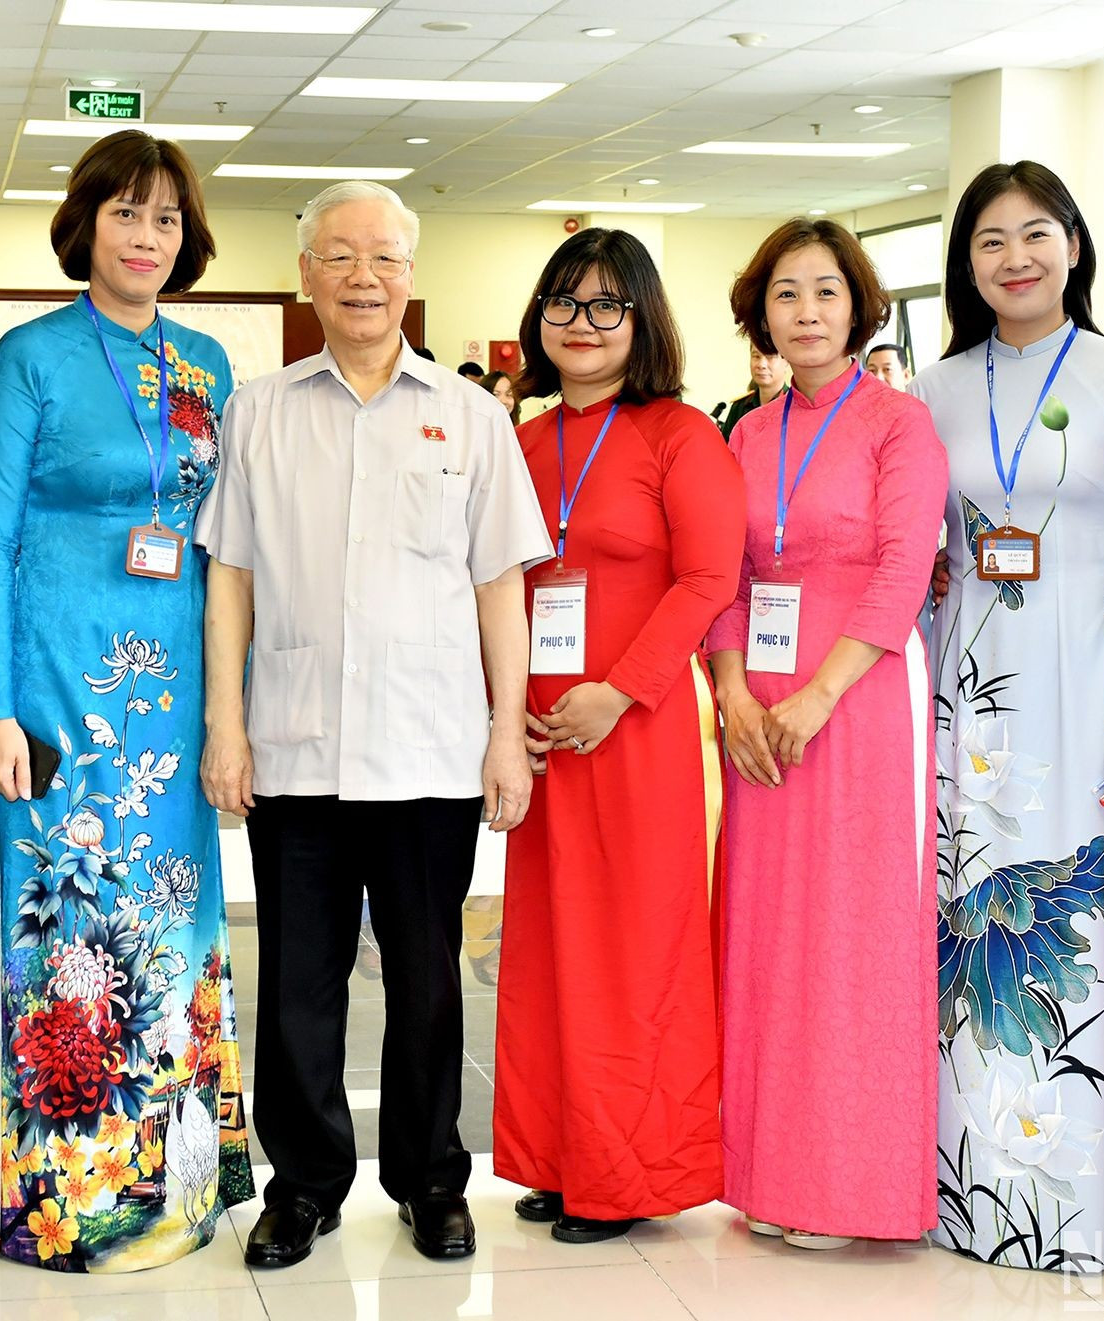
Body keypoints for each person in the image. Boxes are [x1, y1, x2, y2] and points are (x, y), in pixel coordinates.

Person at [197, 180, 551, 1268]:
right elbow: (230, 580)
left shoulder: (472, 416)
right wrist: (224, 724)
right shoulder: (258, 410)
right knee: (297, 981)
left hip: (429, 747)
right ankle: (303, 1186)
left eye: (385, 257)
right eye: (341, 256)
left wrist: (505, 732)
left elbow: (500, 586)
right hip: (296, 742)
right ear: (306, 274)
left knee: (426, 980)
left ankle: (431, 1180)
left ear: (411, 273)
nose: (364, 277)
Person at [0, 128, 251, 1273]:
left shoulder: (206, 366)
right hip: (57, 687)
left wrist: (232, 705)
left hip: (173, 691)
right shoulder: (29, 357)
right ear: (83, 224)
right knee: (69, 924)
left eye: (167, 218)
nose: (147, 236)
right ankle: (69, 1202)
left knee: (174, 919)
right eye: (126, 213)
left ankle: (178, 1185)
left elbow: (226, 545)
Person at [911, 160, 1104, 1273]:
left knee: (1081, 929)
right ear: (966, 264)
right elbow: (917, 545)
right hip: (969, 700)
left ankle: (1091, 1202)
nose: (1015, 258)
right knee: (965, 929)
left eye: (1036, 234)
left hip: (1085, 687)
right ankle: (965, 1196)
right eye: (990, 240)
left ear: (1073, 243)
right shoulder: (934, 387)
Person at [493, 228, 745, 1243]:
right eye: (563, 302)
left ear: (643, 320)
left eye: (607, 305)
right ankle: (562, 1159)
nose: (583, 324)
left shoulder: (680, 435)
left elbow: (708, 578)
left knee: (635, 952)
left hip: (635, 730)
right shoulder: (523, 442)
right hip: (543, 731)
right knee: (550, 949)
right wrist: (507, 709)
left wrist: (621, 691)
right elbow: (496, 585)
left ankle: (630, 1173)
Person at [707, 218, 945, 1250]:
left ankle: (849, 1182)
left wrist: (819, 695)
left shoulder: (900, 423)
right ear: (760, 313)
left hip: (857, 696)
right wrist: (731, 690)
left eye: (826, 292)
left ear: (860, 306)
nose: (806, 312)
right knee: (767, 933)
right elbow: (723, 574)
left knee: (851, 934)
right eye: (786, 294)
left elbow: (903, 569)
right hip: (756, 708)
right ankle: (767, 1170)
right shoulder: (745, 434)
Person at [720, 344, 790, 437]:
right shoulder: (740, 406)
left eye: (770, 357)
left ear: (787, 361)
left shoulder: (795, 407)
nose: (761, 365)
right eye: (756, 356)